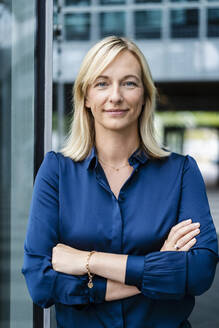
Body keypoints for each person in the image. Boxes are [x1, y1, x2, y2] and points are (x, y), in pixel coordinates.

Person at [22, 36, 218, 328]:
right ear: (86, 97)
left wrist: (88, 261)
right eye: (102, 83)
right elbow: (40, 283)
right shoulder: (56, 171)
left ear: (144, 96)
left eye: (129, 83)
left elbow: (200, 272)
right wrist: (157, 268)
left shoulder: (181, 172)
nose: (115, 96)